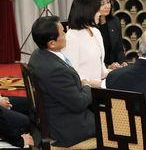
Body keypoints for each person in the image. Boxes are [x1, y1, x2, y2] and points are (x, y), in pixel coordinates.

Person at [28, 16, 95, 147]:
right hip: (68, 126)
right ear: (51, 43)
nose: (66, 33)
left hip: (54, 114)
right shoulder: (55, 71)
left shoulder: (38, 54)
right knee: (115, 121)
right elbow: (79, 103)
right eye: (63, 32)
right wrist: (87, 85)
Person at [63, 0, 107, 86]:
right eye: (97, 10)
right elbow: (72, 75)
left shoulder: (96, 32)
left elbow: (100, 66)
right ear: (87, 12)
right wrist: (98, 84)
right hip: (84, 91)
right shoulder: (71, 38)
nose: (100, 13)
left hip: (100, 86)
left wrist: (116, 74)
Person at [87, 0, 127, 69]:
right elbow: (89, 56)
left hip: (115, 68)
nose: (107, 6)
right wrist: (107, 66)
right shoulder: (88, 26)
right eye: (102, 4)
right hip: (96, 69)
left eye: (108, 2)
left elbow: (119, 49)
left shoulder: (114, 21)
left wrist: (122, 62)